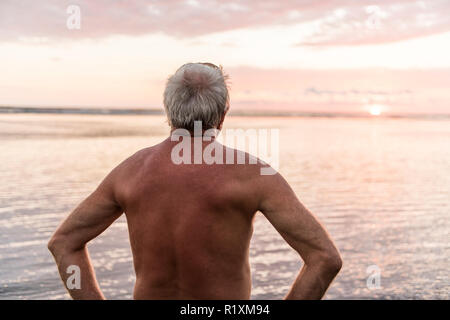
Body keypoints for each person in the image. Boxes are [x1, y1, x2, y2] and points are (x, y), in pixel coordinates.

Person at [48, 62, 342, 300]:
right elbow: (325, 258)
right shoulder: (254, 176)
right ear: (222, 115)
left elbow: (63, 243)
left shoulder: (128, 173)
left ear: (168, 111)